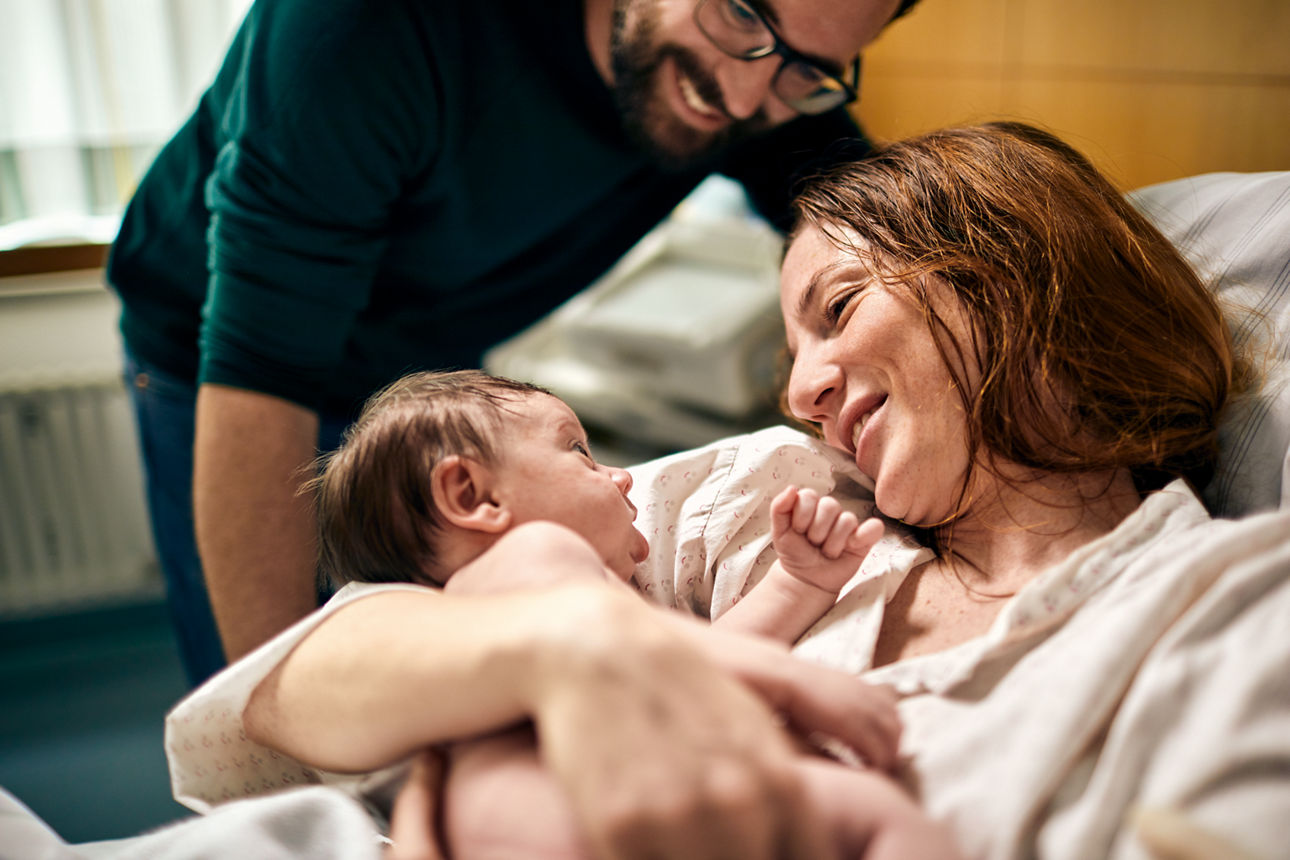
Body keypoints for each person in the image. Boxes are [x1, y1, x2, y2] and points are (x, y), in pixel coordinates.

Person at [167, 121, 1290, 858]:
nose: (803, 389)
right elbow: (300, 679)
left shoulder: (1228, 611)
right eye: (796, 349)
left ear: (1017, 277)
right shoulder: (772, 495)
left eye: (839, 307)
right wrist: (553, 653)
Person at [106, 0, 922, 686]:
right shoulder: (366, 27)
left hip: (426, 361)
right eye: (740, 10)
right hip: (223, 360)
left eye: (806, 71)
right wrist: (281, 743)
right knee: (267, 681)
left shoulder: (765, 73)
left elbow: (888, 238)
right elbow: (261, 370)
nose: (745, 99)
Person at [299, 367, 957, 858]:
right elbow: (660, 650)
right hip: (561, 798)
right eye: (578, 450)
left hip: (530, 819)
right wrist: (799, 682)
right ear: (473, 495)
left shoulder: (516, 619)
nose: (621, 477)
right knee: (877, 815)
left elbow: (687, 658)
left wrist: (798, 583)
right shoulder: (523, 559)